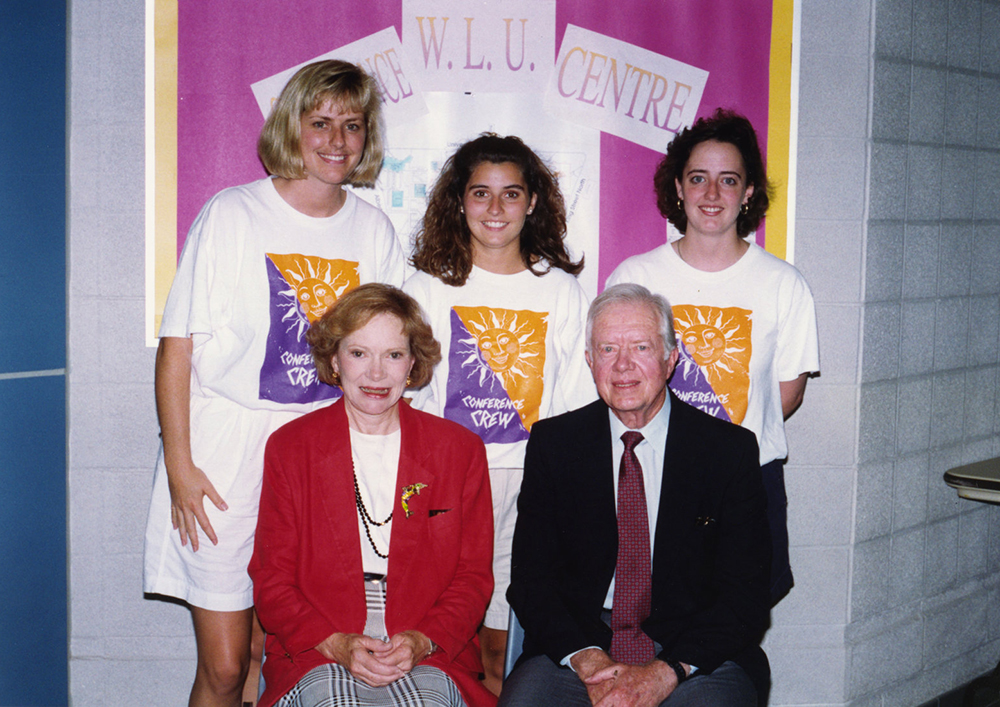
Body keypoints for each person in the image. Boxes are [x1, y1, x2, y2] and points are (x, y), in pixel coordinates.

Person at [143, 60, 405, 706]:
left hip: (317, 464)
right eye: (321, 122)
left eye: (352, 124)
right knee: (228, 665)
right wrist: (179, 462)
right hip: (223, 461)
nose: (337, 140)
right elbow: (177, 350)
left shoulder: (374, 230)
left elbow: (392, 361)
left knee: (279, 657)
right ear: (292, 125)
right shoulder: (232, 213)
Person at [500, 284, 771, 707]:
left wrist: (668, 672)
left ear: (671, 358)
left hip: (693, 658)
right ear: (590, 362)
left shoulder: (727, 451)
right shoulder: (555, 445)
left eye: (641, 347)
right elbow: (532, 582)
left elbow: (746, 594)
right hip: (579, 652)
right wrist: (585, 658)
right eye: (607, 349)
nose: (623, 365)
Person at [404, 133, 596, 693]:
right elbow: (406, 392)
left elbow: (577, 401)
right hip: (446, 482)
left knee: (499, 644)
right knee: (436, 633)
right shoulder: (425, 288)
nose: (495, 209)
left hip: (531, 484)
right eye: (480, 193)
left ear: (532, 202)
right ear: (458, 201)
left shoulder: (561, 292)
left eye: (511, 194)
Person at [606, 109, 818, 606]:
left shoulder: (784, 284)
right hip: (652, 475)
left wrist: (718, 449)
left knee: (731, 628)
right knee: (646, 620)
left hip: (745, 480)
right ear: (678, 187)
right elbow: (613, 380)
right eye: (698, 178)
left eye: (729, 180)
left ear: (748, 193)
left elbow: (785, 394)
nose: (712, 194)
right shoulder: (636, 276)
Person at [248, 284, 495, 707]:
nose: (376, 374)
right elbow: (272, 581)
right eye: (359, 353)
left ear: (413, 363)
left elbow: (472, 578)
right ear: (334, 360)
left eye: (393, 355)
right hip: (319, 642)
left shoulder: (459, 450)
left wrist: (422, 640)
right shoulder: (291, 448)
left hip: (428, 643)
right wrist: (334, 643)